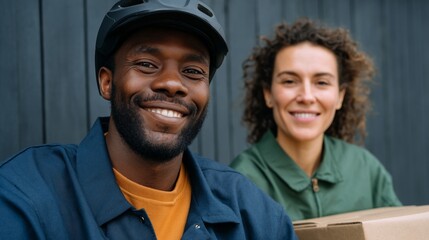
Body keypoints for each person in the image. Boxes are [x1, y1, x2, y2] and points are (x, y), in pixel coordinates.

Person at [0, 1, 298, 239]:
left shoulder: (254, 215)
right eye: (146, 64)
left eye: (193, 71)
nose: (172, 83)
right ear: (107, 82)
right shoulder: (25, 197)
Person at [230, 18, 402, 221]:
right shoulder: (241, 181)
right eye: (289, 81)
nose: (307, 96)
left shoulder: (366, 170)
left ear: (340, 96)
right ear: (268, 94)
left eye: (321, 82)